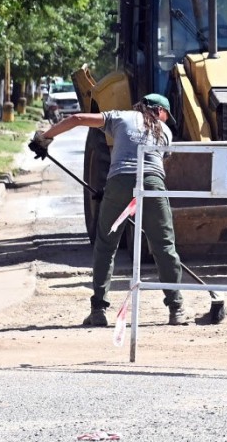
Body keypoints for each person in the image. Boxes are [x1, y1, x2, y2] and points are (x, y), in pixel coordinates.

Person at [31, 93, 187, 327]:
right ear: (158, 111)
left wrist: (45, 137)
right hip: (153, 184)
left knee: (106, 245)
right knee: (164, 246)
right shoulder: (165, 131)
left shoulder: (120, 117)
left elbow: (77, 118)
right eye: (166, 115)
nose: (167, 120)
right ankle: (176, 309)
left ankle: (98, 311)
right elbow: (151, 168)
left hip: (119, 182)